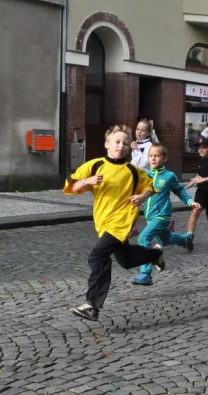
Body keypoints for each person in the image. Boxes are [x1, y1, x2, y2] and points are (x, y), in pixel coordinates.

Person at [64, 125, 165, 321]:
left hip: (122, 220)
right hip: (103, 221)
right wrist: (87, 182)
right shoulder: (94, 166)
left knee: (97, 256)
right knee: (126, 260)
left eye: (125, 143)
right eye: (117, 142)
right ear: (107, 144)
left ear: (129, 148)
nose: (121, 146)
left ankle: (91, 305)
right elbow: (71, 186)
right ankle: (155, 254)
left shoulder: (133, 171)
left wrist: (142, 196)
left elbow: (151, 186)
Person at [133, 145, 199, 286]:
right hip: (150, 216)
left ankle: (145, 273)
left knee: (144, 238)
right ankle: (186, 240)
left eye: (157, 156)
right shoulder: (145, 175)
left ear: (165, 158)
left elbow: (179, 190)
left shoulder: (169, 176)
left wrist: (190, 202)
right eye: (151, 156)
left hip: (162, 216)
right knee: (167, 239)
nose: (153, 158)